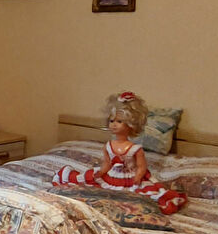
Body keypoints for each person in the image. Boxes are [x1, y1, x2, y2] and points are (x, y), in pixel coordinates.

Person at [53, 91, 187, 214]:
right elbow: (107, 163)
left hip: (130, 178)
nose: (114, 124)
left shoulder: (135, 148)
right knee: (89, 184)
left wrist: (137, 178)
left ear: (130, 124)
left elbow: (141, 167)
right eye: (112, 121)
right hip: (112, 176)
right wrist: (100, 173)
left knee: (147, 195)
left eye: (119, 121)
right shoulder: (109, 146)